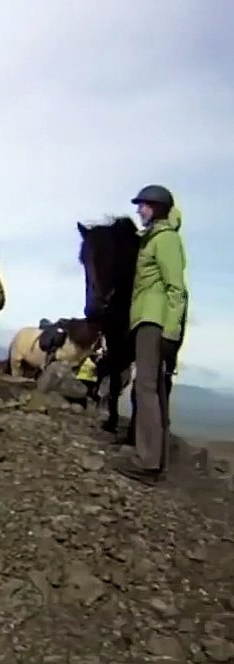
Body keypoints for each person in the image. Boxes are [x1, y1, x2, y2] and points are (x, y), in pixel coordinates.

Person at [112, 185, 188, 484]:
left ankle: (147, 462)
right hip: (149, 320)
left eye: (143, 205)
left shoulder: (166, 240)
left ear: (156, 208)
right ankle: (154, 460)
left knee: (145, 388)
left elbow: (176, 289)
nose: (139, 210)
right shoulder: (154, 239)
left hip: (153, 322)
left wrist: (170, 331)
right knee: (151, 388)